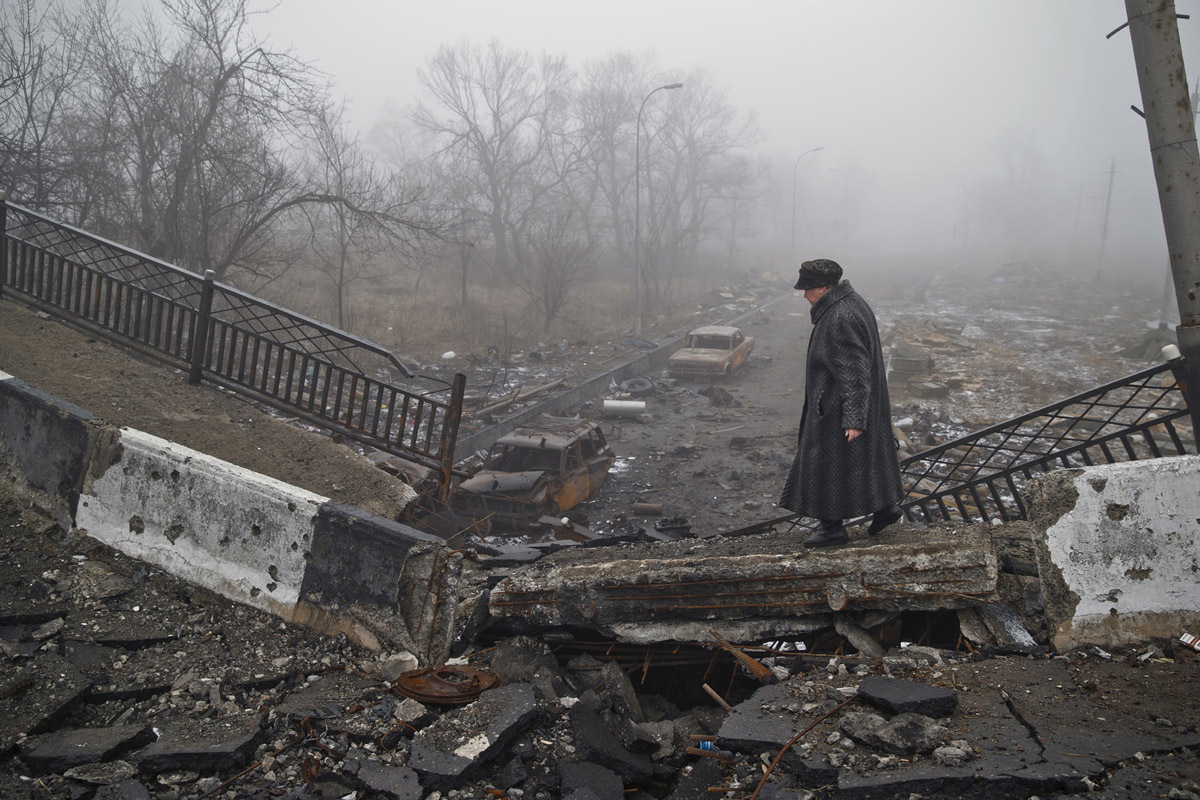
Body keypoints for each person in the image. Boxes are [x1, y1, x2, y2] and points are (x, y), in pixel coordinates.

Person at [780, 259, 903, 548]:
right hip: (847, 405)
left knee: (823, 466)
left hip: (836, 409)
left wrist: (854, 419)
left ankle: (831, 529)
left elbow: (854, 372)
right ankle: (886, 507)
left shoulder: (839, 316)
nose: (804, 295)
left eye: (808, 289)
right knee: (863, 461)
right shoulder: (851, 303)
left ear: (824, 287)